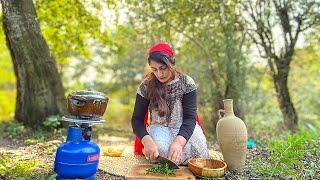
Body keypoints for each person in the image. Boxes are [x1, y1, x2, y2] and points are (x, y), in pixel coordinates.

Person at [131, 42, 209, 165]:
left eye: (163, 68)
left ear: (172, 63)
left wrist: (178, 143)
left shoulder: (187, 83)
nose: (159, 74)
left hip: (184, 127)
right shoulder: (146, 86)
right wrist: (147, 141)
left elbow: (190, 119)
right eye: (154, 69)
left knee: (200, 152)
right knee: (161, 152)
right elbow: (137, 120)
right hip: (159, 127)